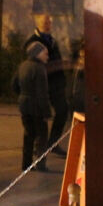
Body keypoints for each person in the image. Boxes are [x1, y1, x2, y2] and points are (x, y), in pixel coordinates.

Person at [24, 14, 69, 154]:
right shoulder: (33, 42)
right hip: (40, 85)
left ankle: (53, 143)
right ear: (38, 24)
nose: (48, 25)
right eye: (45, 22)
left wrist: (62, 79)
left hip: (56, 85)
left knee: (62, 111)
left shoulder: (52, 41)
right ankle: (37, 147)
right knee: (39, 117)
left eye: (49, 22)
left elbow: (57, 61)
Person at [13, 41, 51, 171]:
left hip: (24, 106)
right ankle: (41, 164)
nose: (47, 57)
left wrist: (23, 95)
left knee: (28, 135)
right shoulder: (39, 69)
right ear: (37, 53)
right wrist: (47, 112)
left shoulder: (22, 65)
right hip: (37, 108)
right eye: (45, 53)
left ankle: (26, 164)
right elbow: (42, 93)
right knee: (42, 136)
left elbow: (14, 84)